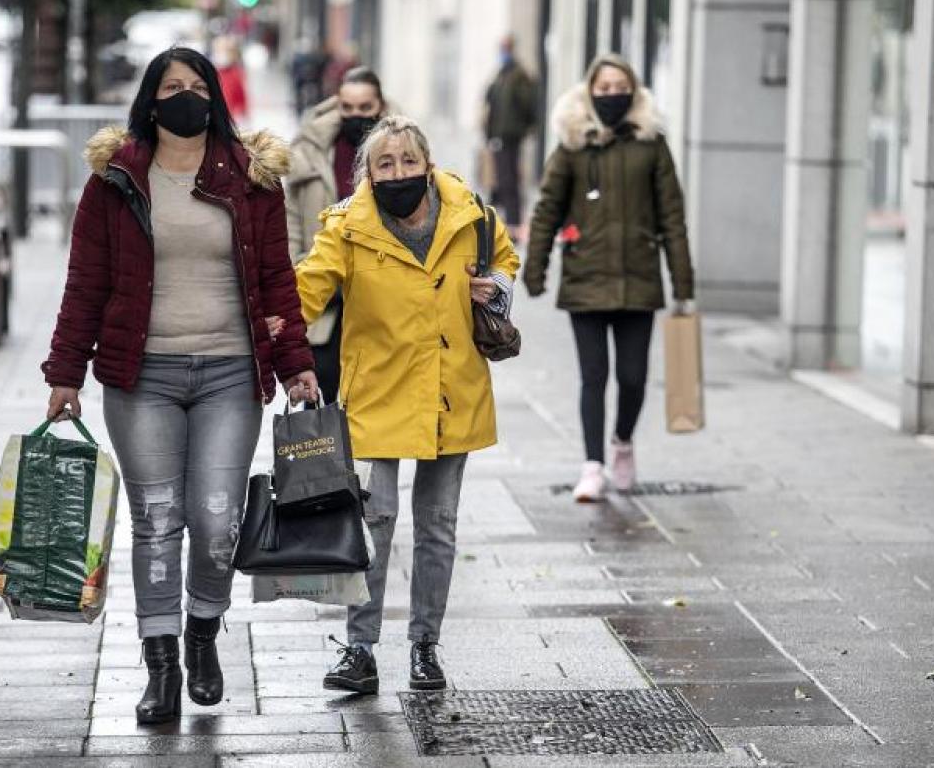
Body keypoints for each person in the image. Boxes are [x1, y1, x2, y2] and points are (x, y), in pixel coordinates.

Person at [40, 47, 318, 725]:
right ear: (150, 99)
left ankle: (202, 634)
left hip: (230, 370)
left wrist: (297, 365)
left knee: (218, 520)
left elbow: (277, 281)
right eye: (172, 87)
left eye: (198, 86)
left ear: (215, 98)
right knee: (159, 520)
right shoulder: (116, 179)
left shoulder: (250, 177)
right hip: (143, 376)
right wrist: (64, 373)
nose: (186, 97)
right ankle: (160, 663)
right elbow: (86, 282)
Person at [292, 116, 519, 694]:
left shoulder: (470, 213)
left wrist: (494, 286)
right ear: (368, 172)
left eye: (408, 162)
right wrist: (267, 319)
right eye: (384, 164)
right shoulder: (347, 226)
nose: (398, 173)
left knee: (438, 526)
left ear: (427, 164)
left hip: (452, 390)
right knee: (375, 521)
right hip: (377, 392)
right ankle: (360, 649)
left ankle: (424, 647)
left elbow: (506, 262)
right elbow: (308, 288)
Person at [523, 53, 695, 503]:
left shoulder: (651, 144)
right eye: (603, 88)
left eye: (621, 87)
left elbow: (672, 217)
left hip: (639, 279)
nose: (612, 95)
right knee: (593, 376)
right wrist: (535, 269)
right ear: (589, 92)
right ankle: (592, 465)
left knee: (634, 378)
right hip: (586, 279)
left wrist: (683, 284)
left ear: (634, 91)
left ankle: (622, 441)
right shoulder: (573, 146)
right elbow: (546, 211)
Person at [285, 66, 390, 404]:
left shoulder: (402, 156)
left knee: (377, 414)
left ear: (381, 107)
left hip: (381, 304)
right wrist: (305, 272)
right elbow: (291, 225)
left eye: (365, 108)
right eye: (347, 108)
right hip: (324, 305)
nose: (355, 116)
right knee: (322, 416)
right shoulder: (311, 152)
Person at [483, 35, 537, 239]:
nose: (503, 51)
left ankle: (513, 226)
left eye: (505, 48)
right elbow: (491, 100)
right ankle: (499, 222)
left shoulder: (519, 75)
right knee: (499, 181)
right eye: (501, 47)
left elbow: (528, 105)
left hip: (510, 137)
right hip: (497, 136)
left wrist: (522, 129)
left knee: (509, 181)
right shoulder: (501, 74)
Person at [212, 35, 248, 122]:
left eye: (225, 51)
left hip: (231, 119)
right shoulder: (210, 72)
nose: (221, 54)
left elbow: (241, 98)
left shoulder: (236, 73)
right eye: (219, 50)